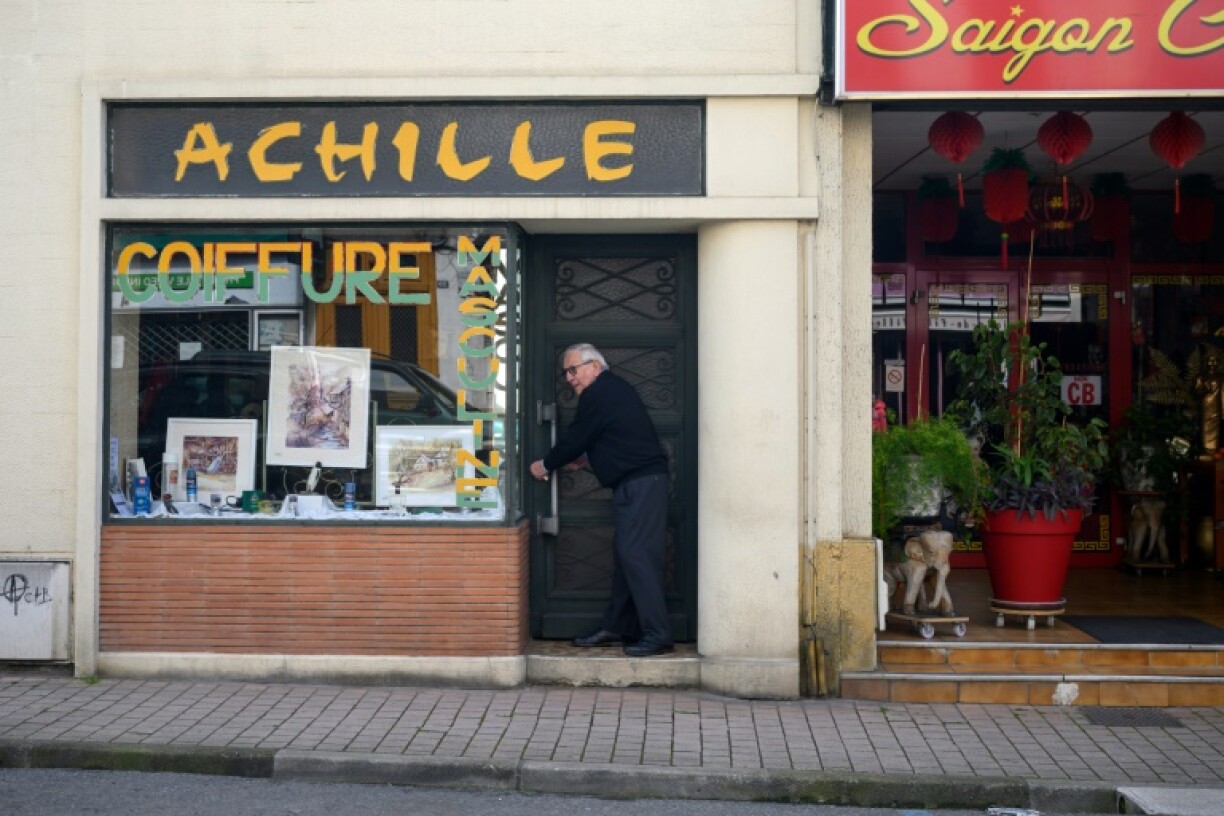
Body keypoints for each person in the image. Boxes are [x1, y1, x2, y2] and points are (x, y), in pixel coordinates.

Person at [530, 343, 673, 657]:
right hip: (636, 483)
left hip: (641, 485)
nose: (569, 378)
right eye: (566, 372)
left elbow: (578, 436)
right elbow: (611, 437)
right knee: (627, 559)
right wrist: (588, 458)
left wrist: (545, 464)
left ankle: (658, 634)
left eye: (574, 370)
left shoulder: (600, 392)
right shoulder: (610, 392)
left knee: (637, 558)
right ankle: (618, 626)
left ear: (595, 366)